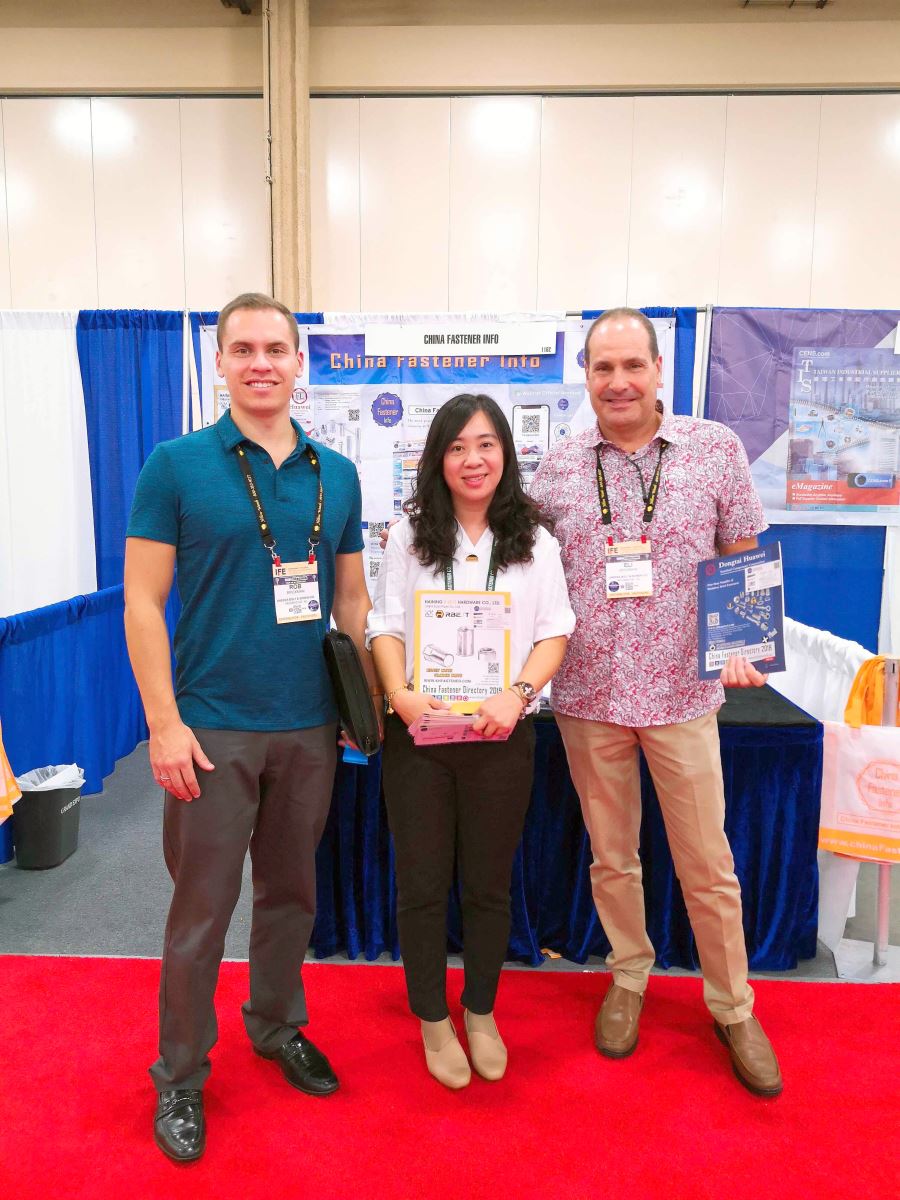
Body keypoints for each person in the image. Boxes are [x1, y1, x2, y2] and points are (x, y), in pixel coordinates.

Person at [124, 292, 376, 1162]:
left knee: (291, 896)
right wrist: (164, 723)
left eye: (276, 348)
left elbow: (351, 600)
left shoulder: (336, 472)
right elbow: (143, 602)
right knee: (201, 910)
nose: (261, 363)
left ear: (300, 362)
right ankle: (181, 1074)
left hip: (309, 728)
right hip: (211, 730)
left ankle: (275, 1025)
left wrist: (362, 706)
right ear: (222, 362)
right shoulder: (176, 466)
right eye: (244, 349)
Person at [530, 307, 784, 1098]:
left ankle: (732, 1005)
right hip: (589, 695)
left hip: (682, 694)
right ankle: (629, 975)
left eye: (632, 365)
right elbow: (525, 570)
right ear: (585, 375)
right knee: (613, 857)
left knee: (707, 863)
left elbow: (742, 546)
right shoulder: (557, 469)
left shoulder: (714, 449)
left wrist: (745, 640)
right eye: (603, 368)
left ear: (658, 369)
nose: (619, 382)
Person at [367, 394, 574, 1089]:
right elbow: (385, 625)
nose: (472, 459)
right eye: (457, 447)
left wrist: (517, 695)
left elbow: (555, 630)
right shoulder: (409, 534)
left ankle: (479, 1011)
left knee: (488, 887)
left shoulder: (535, 539)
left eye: (485, 444)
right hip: (420, 738)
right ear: (438, 458)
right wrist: (398, 694)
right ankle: (432, 1018)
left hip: (499, 735)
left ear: (506, 454)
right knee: (422, 886)